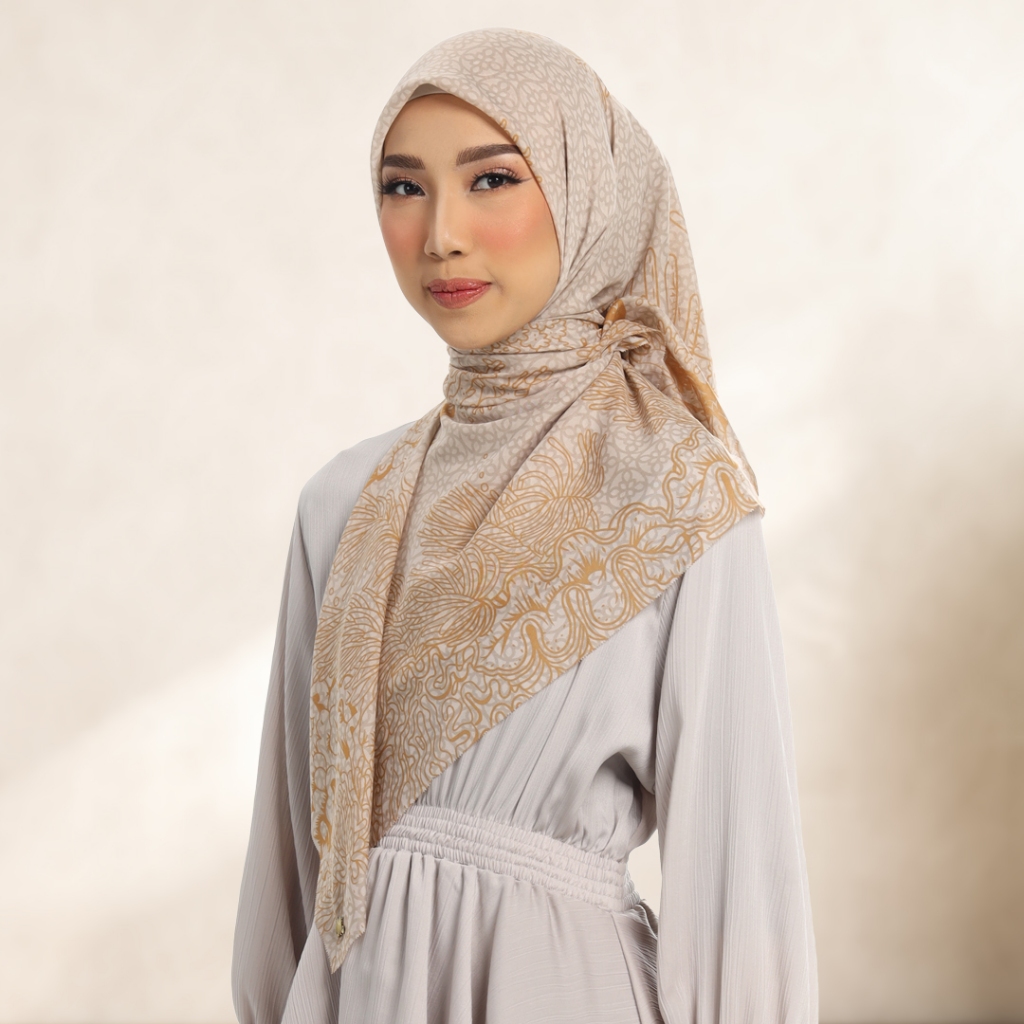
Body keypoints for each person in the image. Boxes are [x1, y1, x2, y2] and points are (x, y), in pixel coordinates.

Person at [232, 27, 818, 1024]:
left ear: (588, 192)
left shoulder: (677, 497)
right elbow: (292, 867)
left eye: (493, 179)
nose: (441, 233)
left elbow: (738, 870)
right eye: (404, 186)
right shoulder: (341, 502)